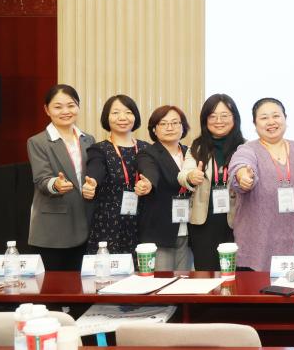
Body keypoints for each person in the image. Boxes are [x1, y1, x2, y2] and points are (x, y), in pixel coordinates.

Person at [228, 98, 294, 271]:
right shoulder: (247, 149)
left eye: (276, 116)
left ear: (285, 118)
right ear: (255, 124)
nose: (271, 122)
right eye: (264, 118)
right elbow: (241, 165)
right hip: (257, 249)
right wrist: (244, 177)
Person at [26, 85, 96, 271]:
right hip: (53, 230)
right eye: (58, 107)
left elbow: (92, 174)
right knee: (53, 285)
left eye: (71, 105)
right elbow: (41, 179)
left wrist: (93, 185)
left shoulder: (88, 139)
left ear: (78, 107)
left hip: (84, 223)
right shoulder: (37, 142)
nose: (65, 111)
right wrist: (55, 184)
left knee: (83, 283)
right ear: (47, 110)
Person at [178, 94, 245, 271]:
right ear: (205, 120)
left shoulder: (245, 147)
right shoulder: (197, 147)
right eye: (213, 116)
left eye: (225, 115)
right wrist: (191, 176)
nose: (219, 121)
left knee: (235, 274)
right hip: (204, 223)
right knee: (206, 274)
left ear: (235, 118)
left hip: (237, 222)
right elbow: (183, 174)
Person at [82, 94, 151, 255]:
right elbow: (96, 169)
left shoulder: (146, 148)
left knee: (141, 268)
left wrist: (149, 182)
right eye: (115, 113)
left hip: (142, 221)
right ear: (107, 117)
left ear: (135, 116)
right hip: (109, 223)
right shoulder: (99, 149)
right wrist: (91, 183)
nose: (122, 117)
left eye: (128, 112)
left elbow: (151, 172)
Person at [138, 105, 194, 271]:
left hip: (190, 229)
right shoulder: (148, 153)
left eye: (175, 123)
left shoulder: (191, 153)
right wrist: (148, 183)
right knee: (161, 280)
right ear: (154, 129)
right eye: (163, 123)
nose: (170, 127)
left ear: (183, 127)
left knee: (185, 280)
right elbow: (149, 171)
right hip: (161, 230)